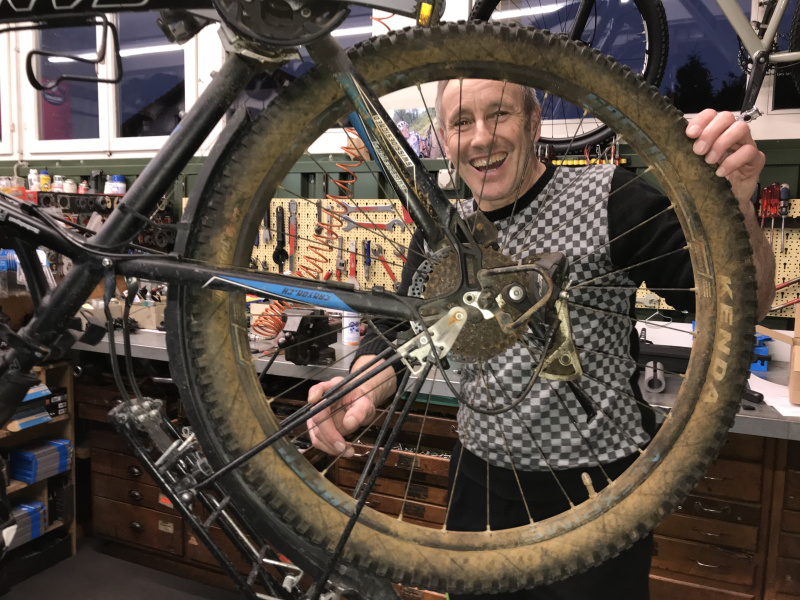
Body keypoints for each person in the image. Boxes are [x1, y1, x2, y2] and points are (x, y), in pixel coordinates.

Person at [307, 80, 775, 600]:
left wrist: (736, 208)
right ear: (443, 139)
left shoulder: (609, 197)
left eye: (499, 114)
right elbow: (406, 336)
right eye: (462, 122)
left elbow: (745, 305)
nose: (481, 138)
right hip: (479, 489)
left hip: (598, 495)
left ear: (534, 122)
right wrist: (360, 385)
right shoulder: (441, 232)